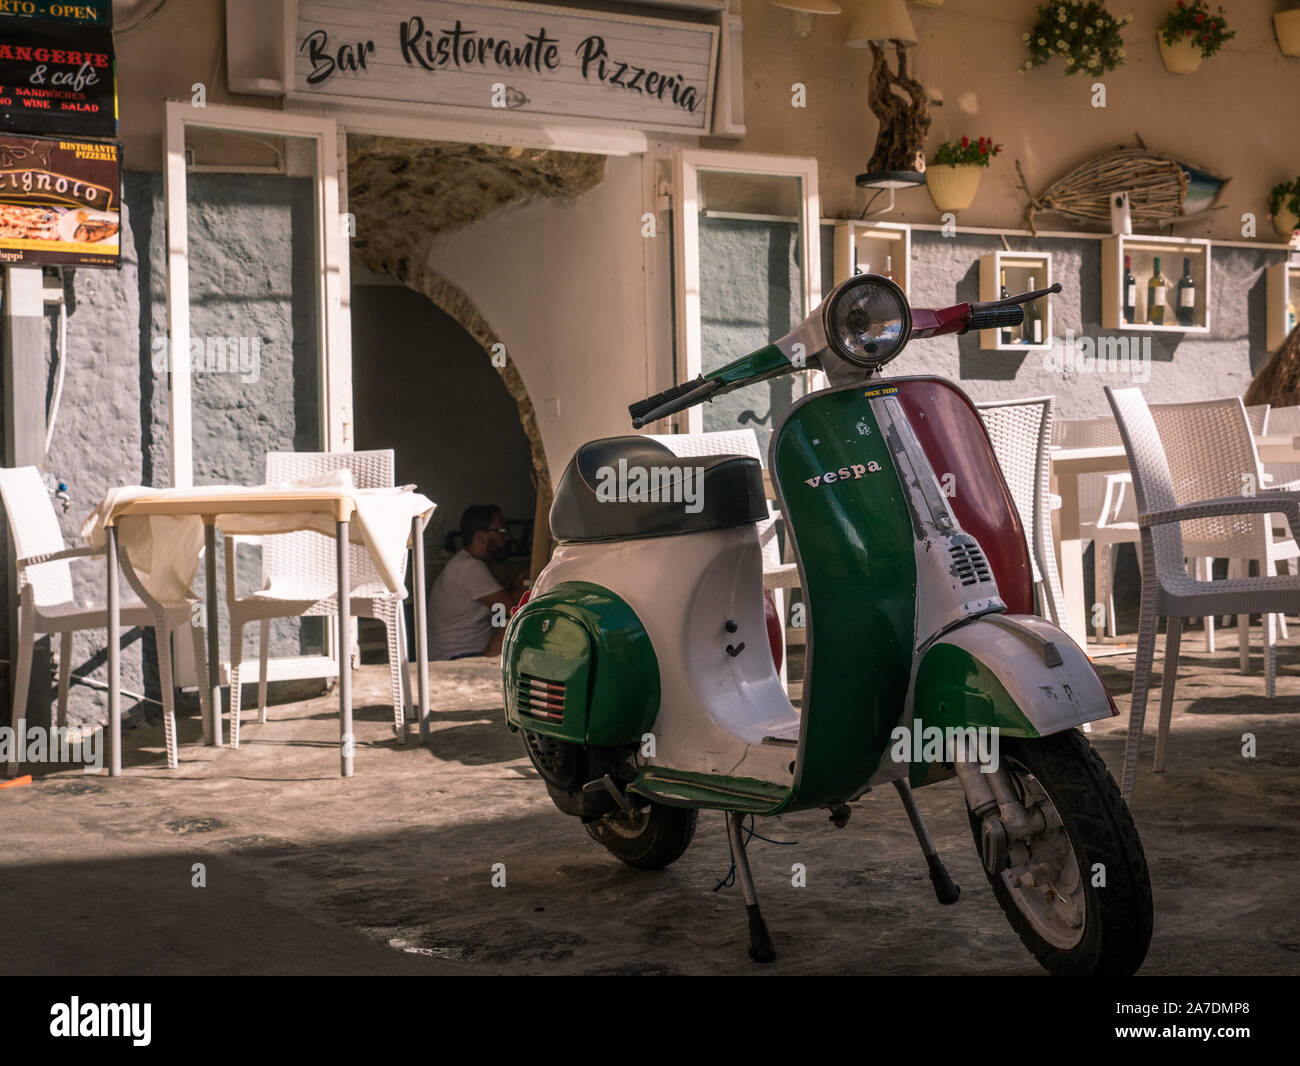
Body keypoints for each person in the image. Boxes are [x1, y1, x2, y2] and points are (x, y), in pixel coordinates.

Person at [428, 505, 526, 660]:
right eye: (501, 531)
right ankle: (489, 667)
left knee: (505, 623)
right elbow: (511, 607)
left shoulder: (468, 564)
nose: (507, 536)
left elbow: (498, 609)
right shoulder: (469, 567)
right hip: (456, 657)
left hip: (464, 652)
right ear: (480, 537)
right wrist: (526, 579)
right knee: (514, 622)